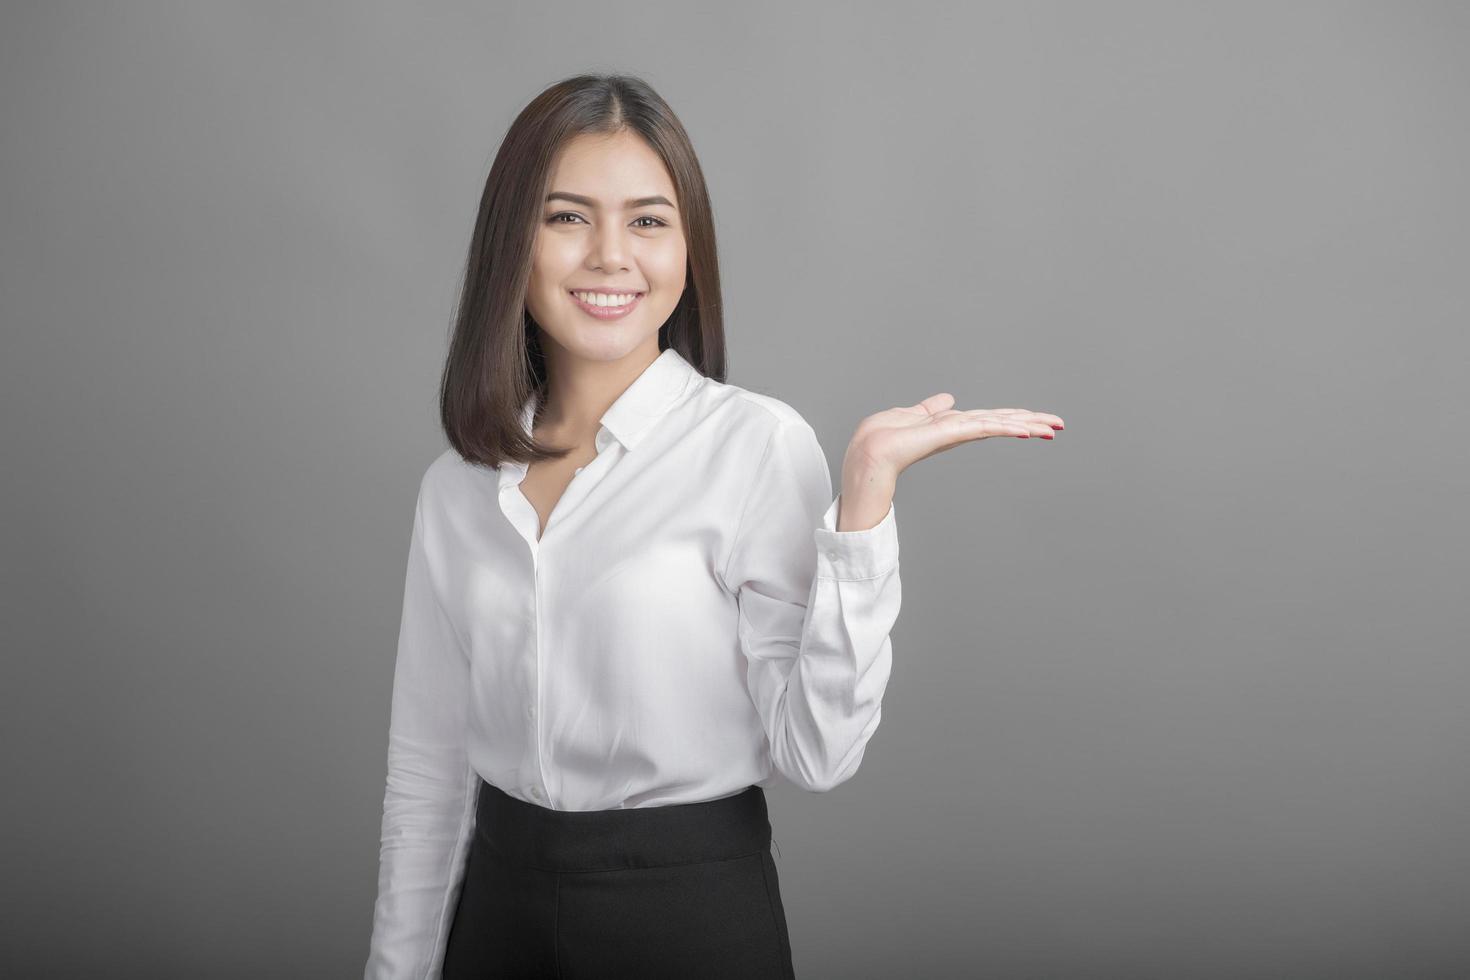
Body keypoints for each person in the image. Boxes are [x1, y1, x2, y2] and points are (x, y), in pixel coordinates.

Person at [364, 72, 1064, 980]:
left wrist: (862, 507)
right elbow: (427, 770)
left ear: (688, 247)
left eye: (648, 221)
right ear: (513, 242)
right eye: (568, 217)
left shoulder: (754, 448)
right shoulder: (457, 486)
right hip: (496, 915)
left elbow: (816, 755)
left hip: (687, 916)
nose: (611, 255)